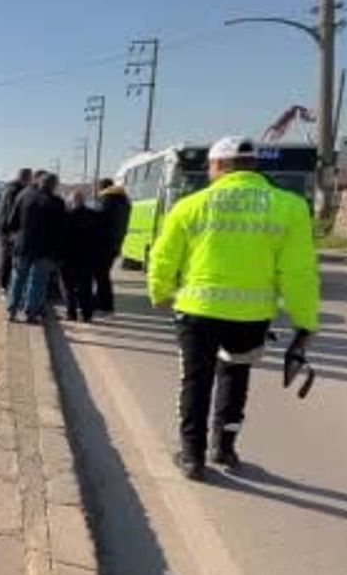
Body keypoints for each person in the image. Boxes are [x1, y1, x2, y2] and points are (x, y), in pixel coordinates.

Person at [148, 136, 319, 480]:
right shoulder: (290, 207)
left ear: (217, 166)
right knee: (236, 377)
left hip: (198, 312)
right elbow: (299, 271)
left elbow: (163, 256)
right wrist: (305, 322)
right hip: (250, 317)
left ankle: (192, 457)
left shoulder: (190, 204)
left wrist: (160, 292)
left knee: (195, 382)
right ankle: (223, 447)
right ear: (253, 165)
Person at [6, 172, 65, 323]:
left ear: (39, 182)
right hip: (44, 250)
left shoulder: (23, 196)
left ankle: (11, 311)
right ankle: (31, 314)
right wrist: (58, 255)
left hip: (22, 246)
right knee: (37, 282)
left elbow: (12, 222)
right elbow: (60, 232)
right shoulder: (57, 202)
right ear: (53, 186)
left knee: (18, 279)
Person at [60, 190, 98, 322]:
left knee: (68, 287)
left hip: (68, 259)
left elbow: (61, 239)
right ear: (84, 201)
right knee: (86, 288)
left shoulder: (66, 216)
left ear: (72, 201)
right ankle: (87, 315)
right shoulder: (93, 216)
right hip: (87, 259)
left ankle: (71, 313)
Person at [94, 177, 131, 312]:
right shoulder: (124, 201)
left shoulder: (107, 200)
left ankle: (104, 304)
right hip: (116, 244)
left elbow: (100, 221)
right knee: (104, 274)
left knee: (101, 275)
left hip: (103, 244)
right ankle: (103, 303)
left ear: (102, 188)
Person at [0, 168, 34, 290]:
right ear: (26, 178)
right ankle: (5, 285)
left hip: (1, 224)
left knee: (7, 255)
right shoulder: (15, 191)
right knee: (8, 256)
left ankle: (5, 283)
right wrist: (13, 231)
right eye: (30, 179)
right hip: (7, 227)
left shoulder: (8, 188)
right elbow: (11, 211)